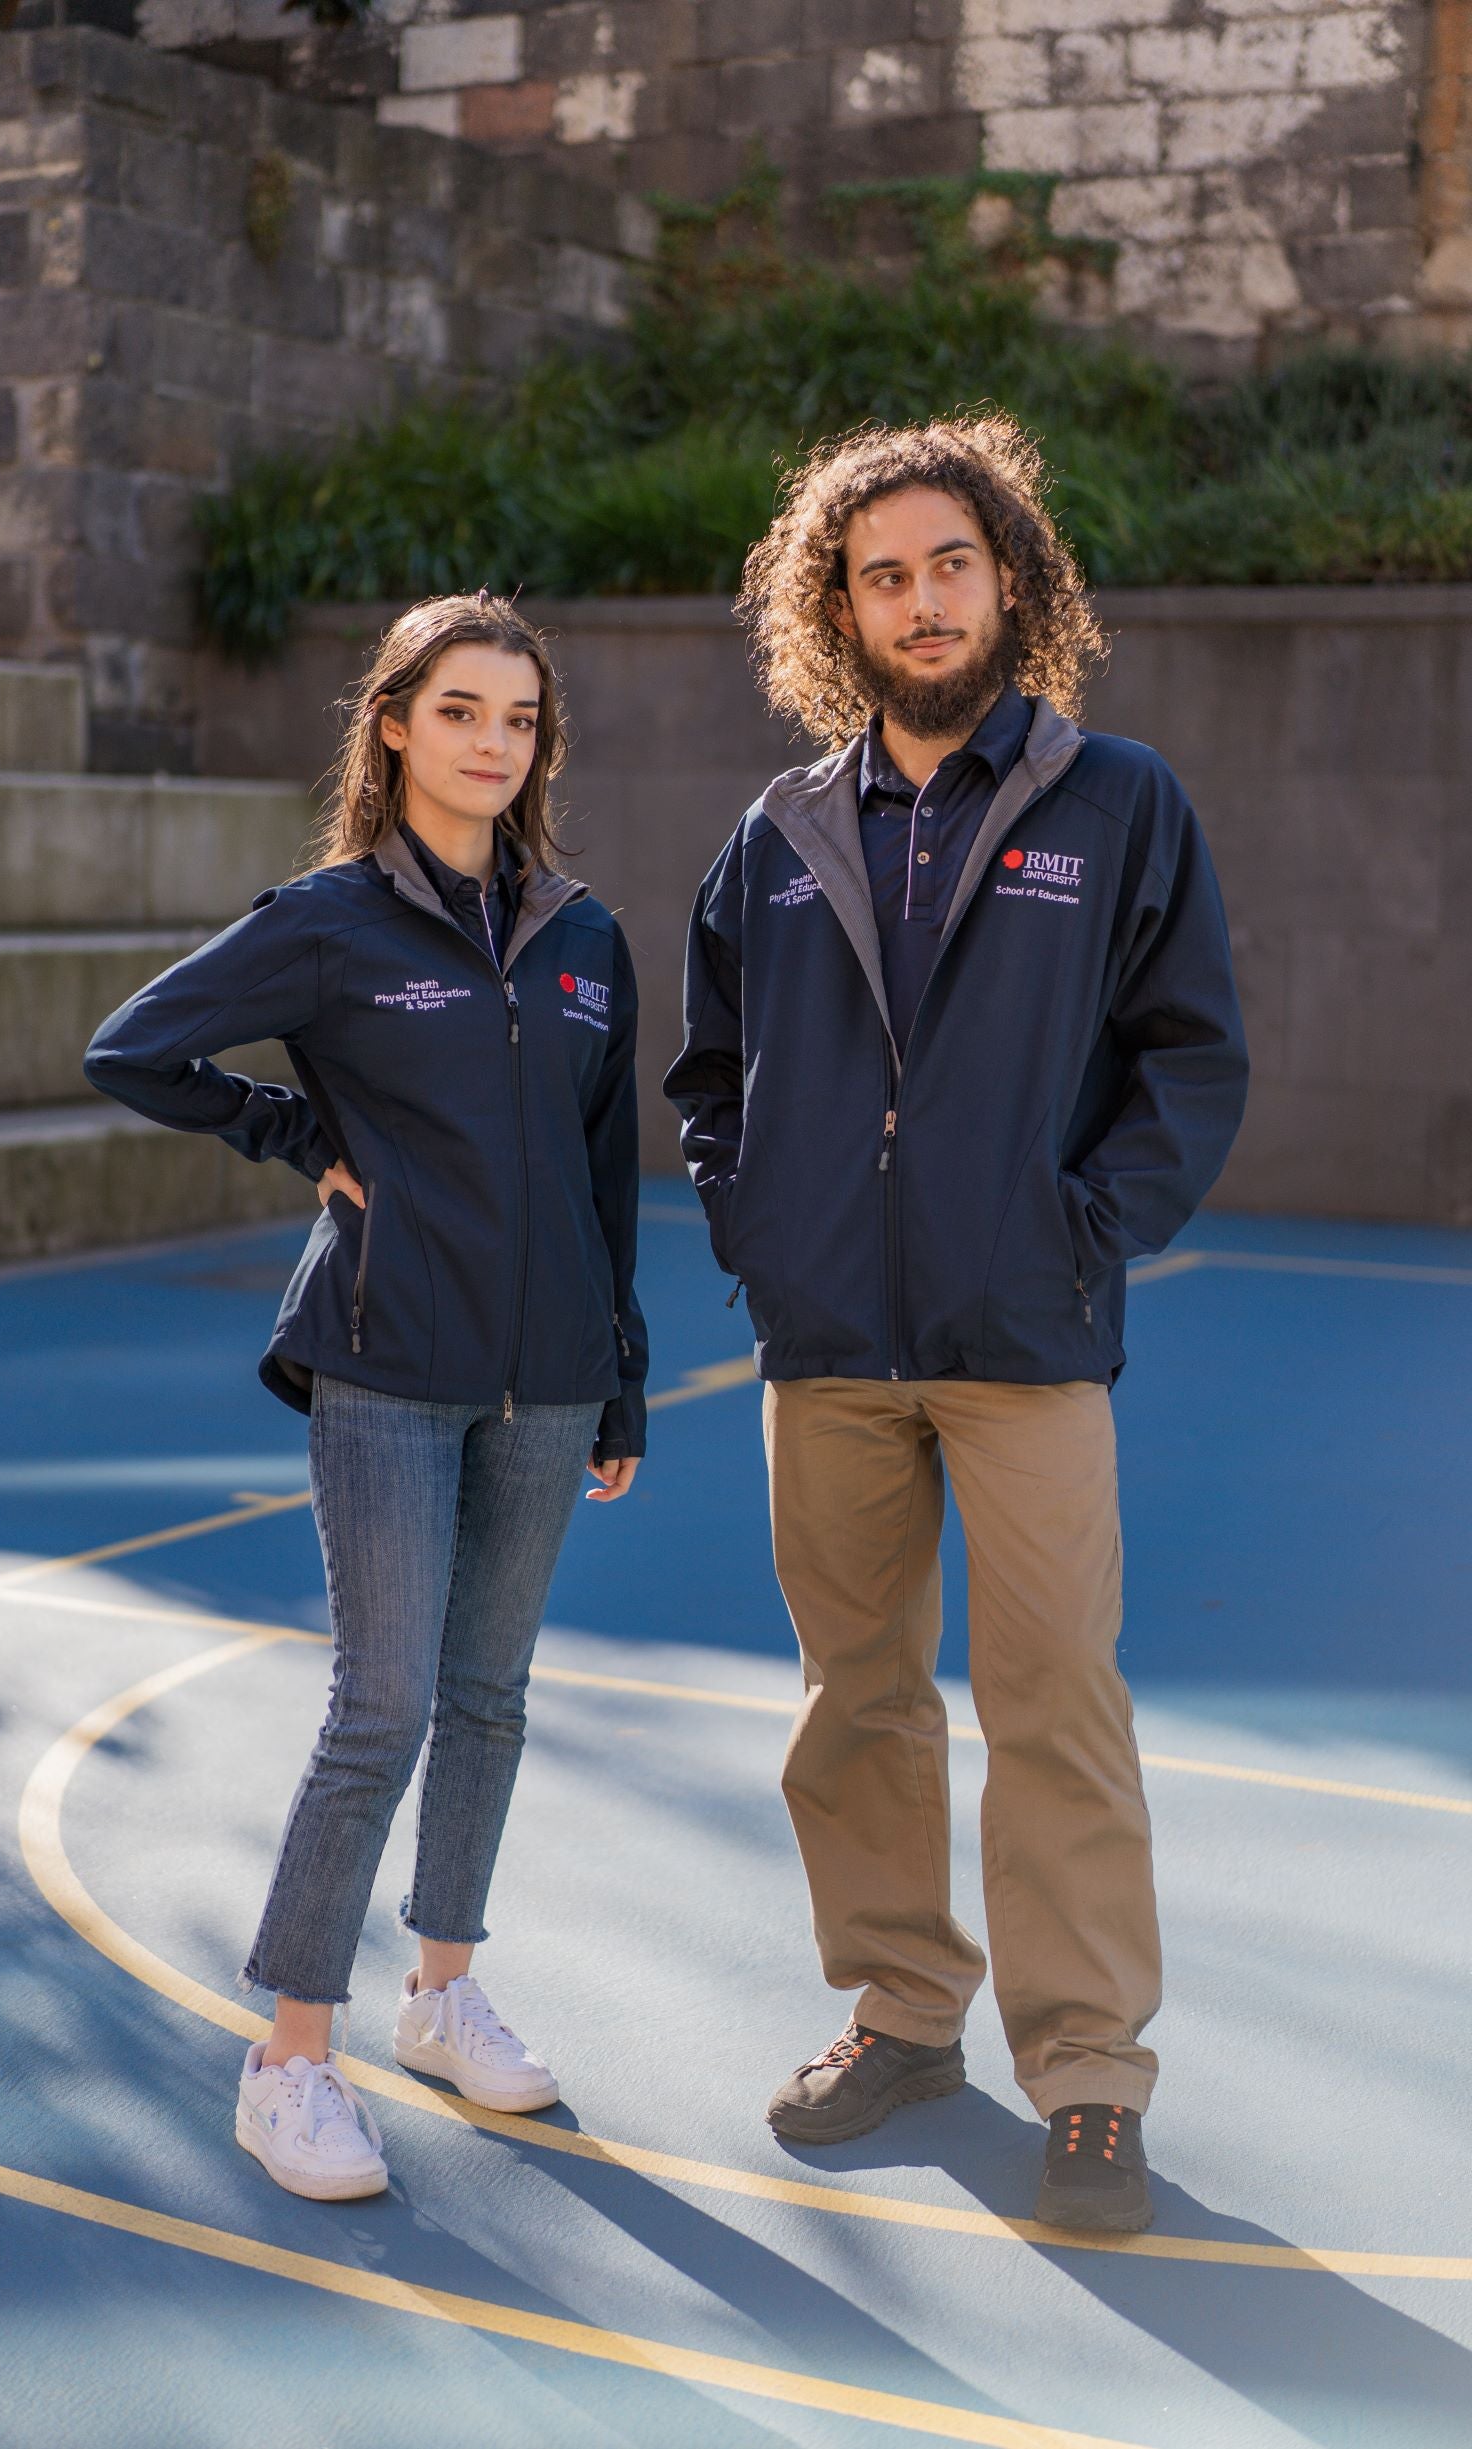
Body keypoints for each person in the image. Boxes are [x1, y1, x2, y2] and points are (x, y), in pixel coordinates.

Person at [665, 417, 1247, 2235]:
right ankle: (907, 2011)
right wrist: (761, 1227)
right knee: (857, 1701)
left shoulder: (1117, 799)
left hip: (1025, 1338)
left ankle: (1086, 2076)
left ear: (1014, 580)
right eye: (883, 572)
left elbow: (1192, 1059)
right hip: (827, 1339)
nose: (921, 600)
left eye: (951, 565)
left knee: (1057, 1699)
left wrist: (1085, 1235)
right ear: (833, 605)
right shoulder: (779, 832)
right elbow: (709, 1074)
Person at [86, 593, 646, 2203]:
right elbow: (135, 1049)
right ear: (393, 722)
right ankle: (291, 2063)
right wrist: (292, 1139)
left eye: (520, 718)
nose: (493, 742)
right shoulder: (330, 920)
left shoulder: (587, 937)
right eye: (461, 709)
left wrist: (621, 1376)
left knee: (489, 1694)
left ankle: (443, 1991)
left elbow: (606, 1174)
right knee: (382, 1704)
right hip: (385, 1360)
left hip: (549, 1377)